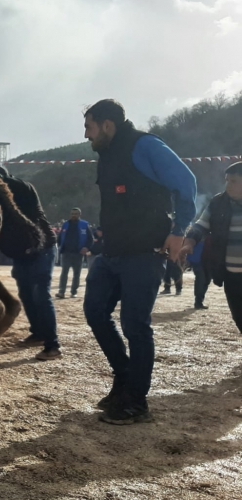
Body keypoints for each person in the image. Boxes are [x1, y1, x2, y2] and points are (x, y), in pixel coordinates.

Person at [82, 99, 196, 425]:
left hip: (145, 254)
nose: (87, 135)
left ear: (107, 125)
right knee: (95, 312)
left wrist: (179, 230)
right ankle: (124, 378)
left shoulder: (145, 145)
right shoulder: (106, 156)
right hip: (112, 253)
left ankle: (136, 401)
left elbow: (186, 183)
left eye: (90, 127)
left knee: (135, 326)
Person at [0, 166, 62, 361]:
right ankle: (38, 333)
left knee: (41, 294)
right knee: (27, 294)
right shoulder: (2, 204)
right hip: (23, 254)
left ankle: (53, 345)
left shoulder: (24, 189)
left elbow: (8, 183)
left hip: (42, 249)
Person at [181, 161, 242, 331]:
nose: (228, 185)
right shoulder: (217, 203)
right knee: (239, 318)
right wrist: (188, 243)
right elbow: (201, 225)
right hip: (230, 275)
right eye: (227, 180)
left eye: (234, 181)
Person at [56, 208, 92, 298]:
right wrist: (60, 246)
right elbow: (60, 237)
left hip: (78, 253)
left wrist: (86, 248)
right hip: (66, 253)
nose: (74, 215)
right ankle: (61, 291)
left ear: (80, 214)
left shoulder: (85, 225)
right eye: (72, 213)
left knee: (77, 273)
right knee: (64, 272)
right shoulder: (65, 224)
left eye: (76, 214)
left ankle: (73, 291)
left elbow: (90, 239)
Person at [187, 239, 210, 310]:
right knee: (201, 279)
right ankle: (198, 302)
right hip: (197, 260)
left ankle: (199, 301)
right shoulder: (197, 231)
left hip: (209, 260)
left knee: (207, 280)